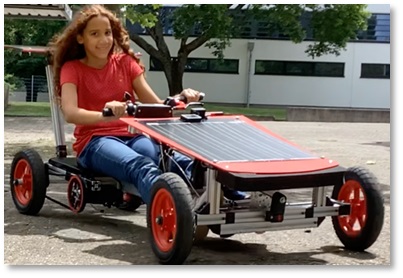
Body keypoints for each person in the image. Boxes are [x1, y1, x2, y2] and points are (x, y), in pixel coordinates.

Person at [50, 4, 248, 206]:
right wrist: (107, 115)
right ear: (80, 38)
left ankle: (229, 193)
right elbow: (71, 113)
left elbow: (157, 105)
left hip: (132, 136)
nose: (104, 40)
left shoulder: (126, 63)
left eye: (108, 33)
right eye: (95, 34)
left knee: (175, 160)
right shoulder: (72, 68)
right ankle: (173, 209)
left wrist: (181, 96)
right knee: (141, 165)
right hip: (95, 142)